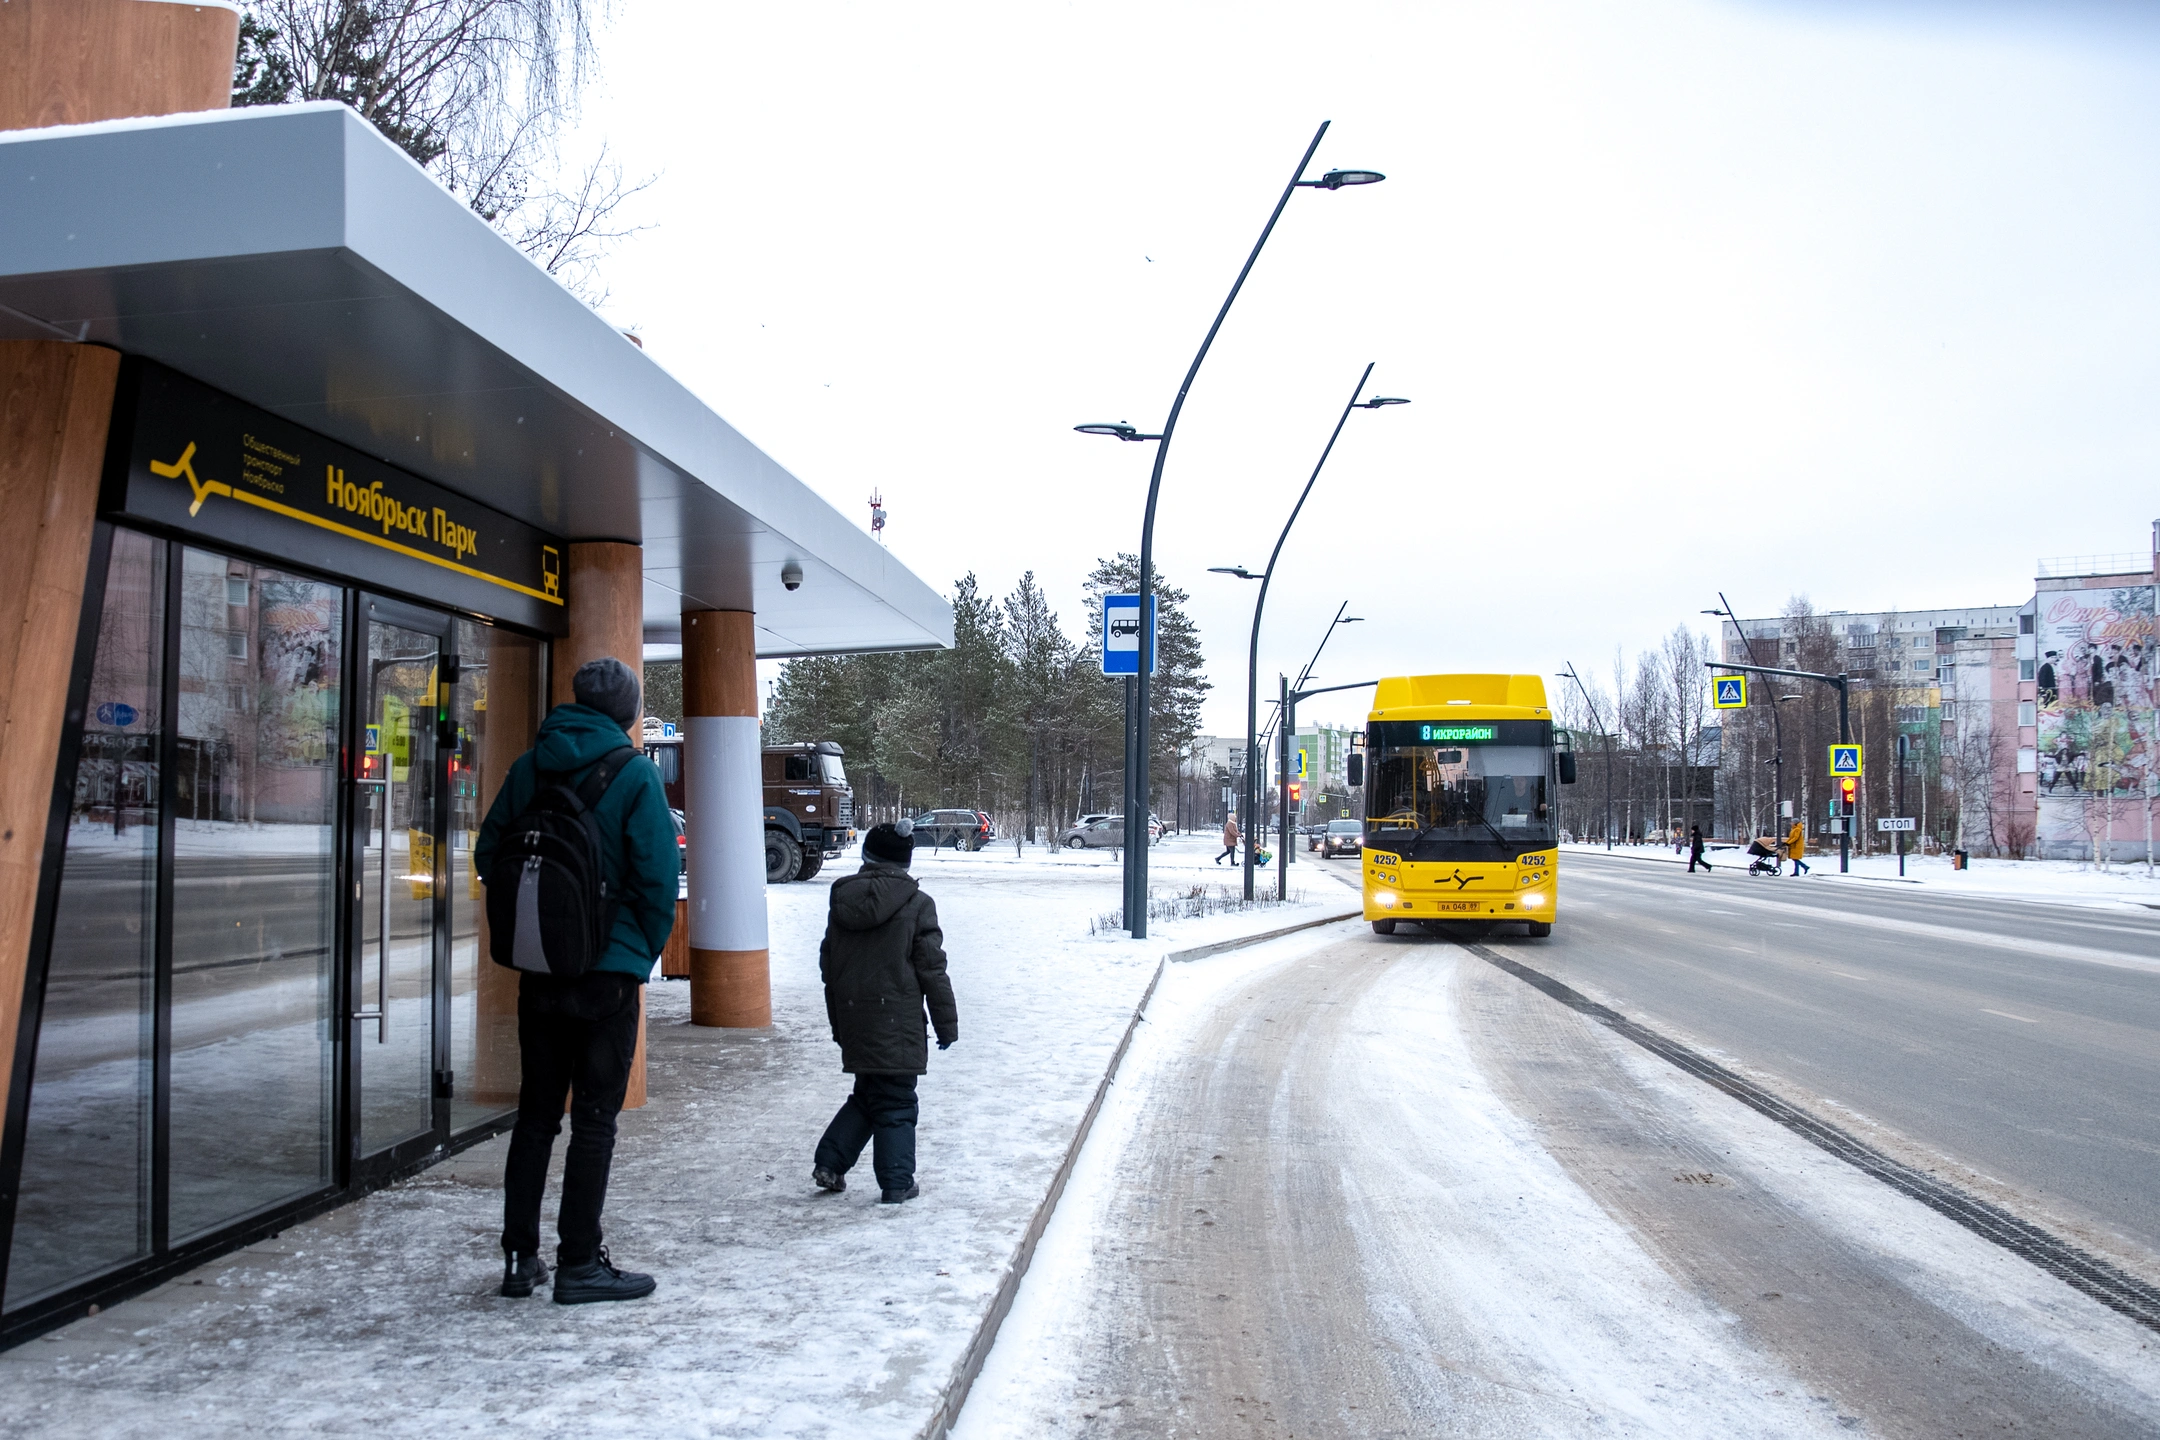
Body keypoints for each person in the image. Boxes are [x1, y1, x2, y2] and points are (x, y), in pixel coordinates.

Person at [476, 657, 679, 1305]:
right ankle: (579, 1264)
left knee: (536, 1116)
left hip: (540, 971)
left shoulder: (530, 766)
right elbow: (656, 879)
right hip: (607, 980)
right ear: (627, 713)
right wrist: (634, 950)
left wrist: (541, 925)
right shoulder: (635, 774)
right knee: (594, 1121)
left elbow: (490, 855)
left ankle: (518, 1259)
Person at [812, 818, 959, 1204]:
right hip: (896, 1021)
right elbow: (931, 969)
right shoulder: (917, 904)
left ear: (866, 856)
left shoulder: (842, 899)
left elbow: (829, 963)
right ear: (906, 863)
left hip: (853, 1016)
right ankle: (896, 1182)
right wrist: (947, 1025)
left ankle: (830, 1162)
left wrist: (839, 1021)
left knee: (869, 1093)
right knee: (895, 1100)